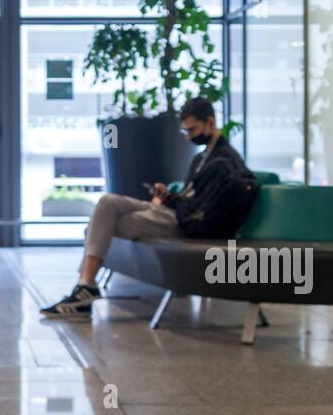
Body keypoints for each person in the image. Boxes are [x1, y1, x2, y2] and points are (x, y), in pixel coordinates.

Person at [40, 96, 250, 319]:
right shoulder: (202, 158)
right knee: (107, 202)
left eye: (193, 130)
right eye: (186, 132)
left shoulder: (225, 163)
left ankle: (84, 289)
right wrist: (168, 197)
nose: (189, 136)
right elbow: (192, 196)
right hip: (172, 212)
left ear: (210, 122)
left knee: (107, 224)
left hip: (182, 223)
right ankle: (86, 285)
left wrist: (172, 201)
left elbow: (202, 211)